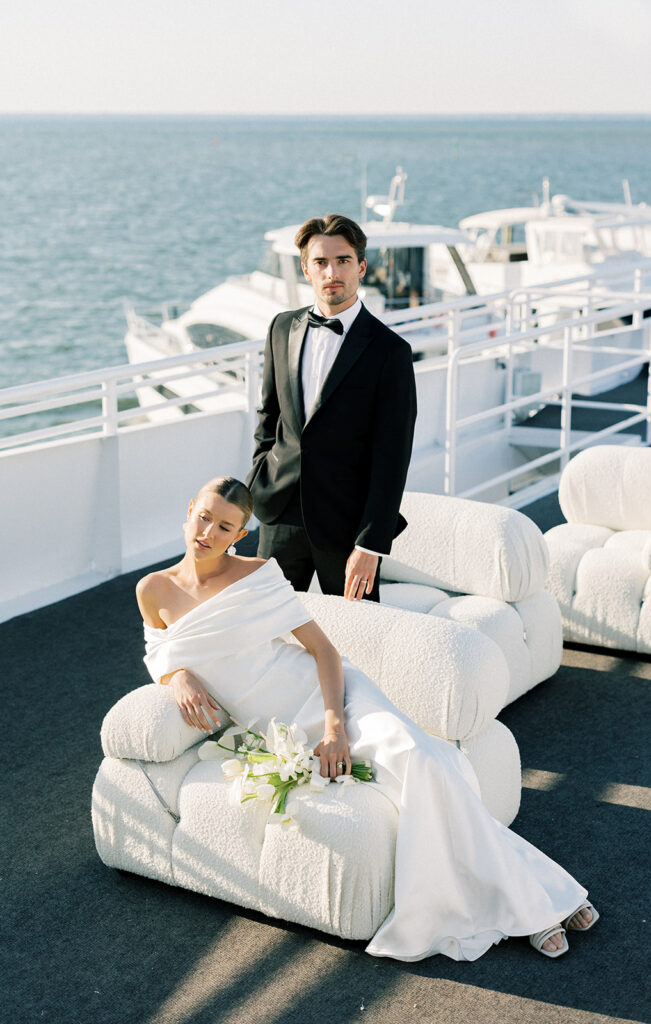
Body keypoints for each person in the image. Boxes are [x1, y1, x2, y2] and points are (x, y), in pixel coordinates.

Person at [136, 476, 599, 963]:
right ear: (190, 509)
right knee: (426, 779)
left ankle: (534, 906)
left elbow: (323, 652)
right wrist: (178, 676)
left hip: (333, 698)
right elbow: (160, 653)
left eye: (224, 526)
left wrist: (336, 727)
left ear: (241, 534)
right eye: (203, 517)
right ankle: (545, 896)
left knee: (420, 761)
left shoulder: (256, 574)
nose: (207, 532)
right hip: (281, 728)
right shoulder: (154, 591)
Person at [245, 213, 417, 603]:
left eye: (342, 261)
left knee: (359, 640)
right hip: (280, 512)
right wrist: (259, 476)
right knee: (269, 631)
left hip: (347, 525)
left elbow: (392, 457)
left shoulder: (390, 352)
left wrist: (371, 545)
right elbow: (268, 417)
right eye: (321, 262)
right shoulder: (281, 328)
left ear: (361, 267)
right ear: (306, 269)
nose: (331, 272)